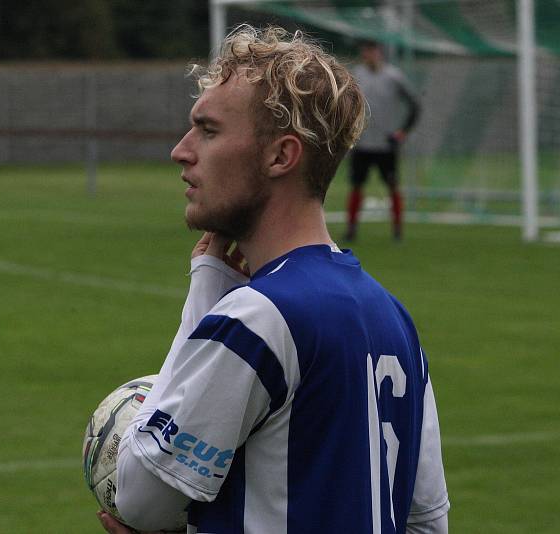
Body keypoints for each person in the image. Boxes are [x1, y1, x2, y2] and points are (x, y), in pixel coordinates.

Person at [98, 25, 449, 534]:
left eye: (209, 130)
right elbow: (425, 522)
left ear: (281, 156)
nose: (181, 149)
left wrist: (206, 290)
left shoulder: (257, 316)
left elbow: (140, 498)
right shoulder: (394, 318)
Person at [345, 39, 421, 241]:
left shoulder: (393, 76)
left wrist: (402, 131)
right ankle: (351, 229)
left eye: (372, 51)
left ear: (379, 52)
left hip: (386, 144)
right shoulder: (357, 76)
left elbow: (414, 105)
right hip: (362, 142)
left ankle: (397, 231)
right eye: (365, 51)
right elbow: (345, 103)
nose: (368, 55)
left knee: (393, 186)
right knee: (356, 185)